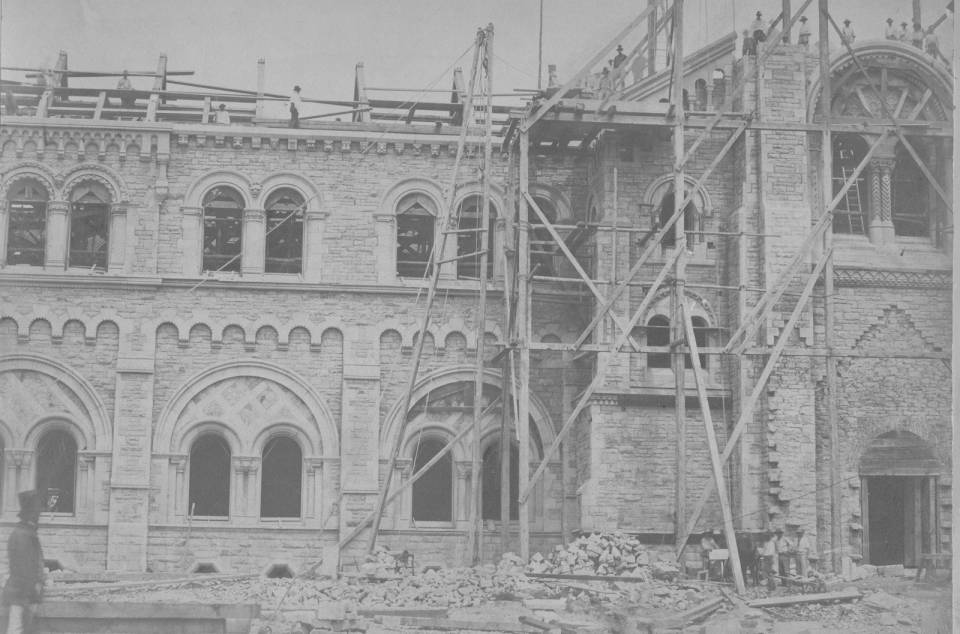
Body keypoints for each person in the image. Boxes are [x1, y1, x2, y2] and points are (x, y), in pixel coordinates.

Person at [3, 490, 45, 634]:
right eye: (37, 510)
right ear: (30, 512)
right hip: (20, 597)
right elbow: (22, 570)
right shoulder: (22, 535)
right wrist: (28, 596)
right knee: (16, 630)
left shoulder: (27, 533)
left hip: (25, 596)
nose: (39, 513)